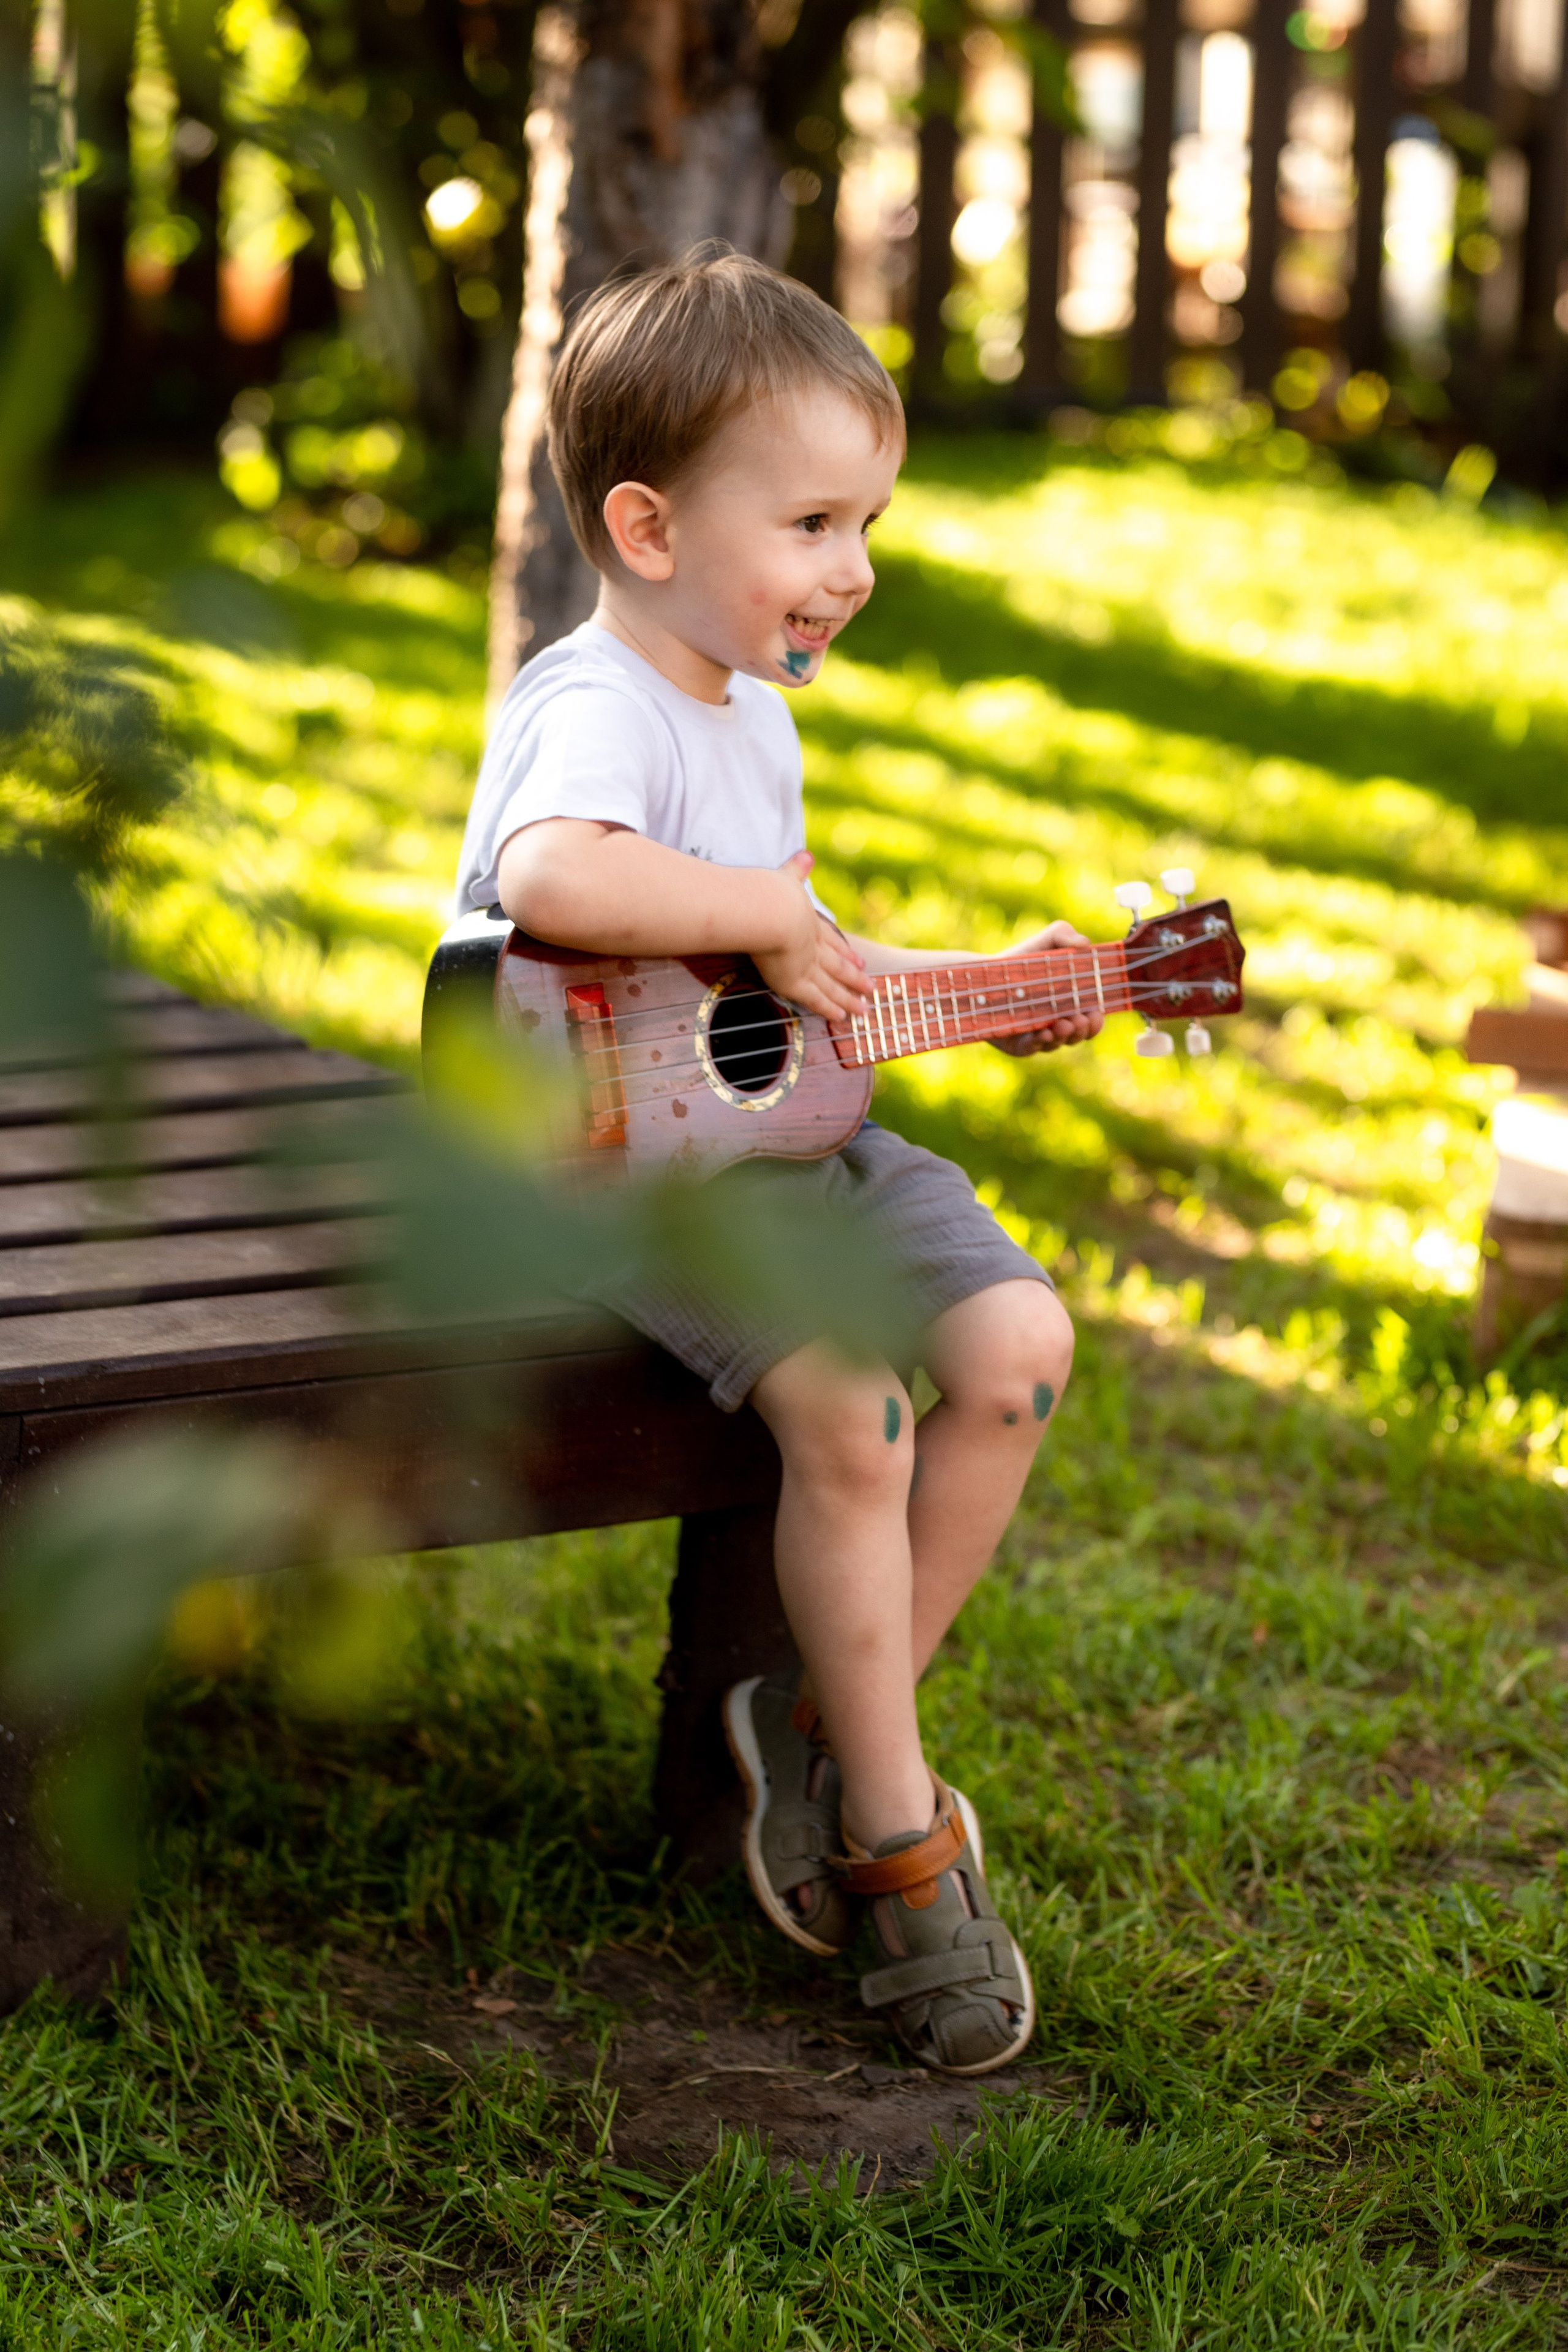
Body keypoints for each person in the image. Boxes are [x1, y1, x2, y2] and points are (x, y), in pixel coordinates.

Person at [453, 248, 1102, 2076]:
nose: (856, 567)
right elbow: (555, 879)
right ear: (649, 527)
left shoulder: (756, 702)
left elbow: (792, 982)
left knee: (1017, 1350)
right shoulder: (603, 701)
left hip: (786, 1137)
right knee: (854, 1412)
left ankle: (822, 1725)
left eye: (867, 520)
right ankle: (899, 1837)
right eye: (813, 519)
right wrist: (764, 912)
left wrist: (998, 990)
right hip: (634, 1174)